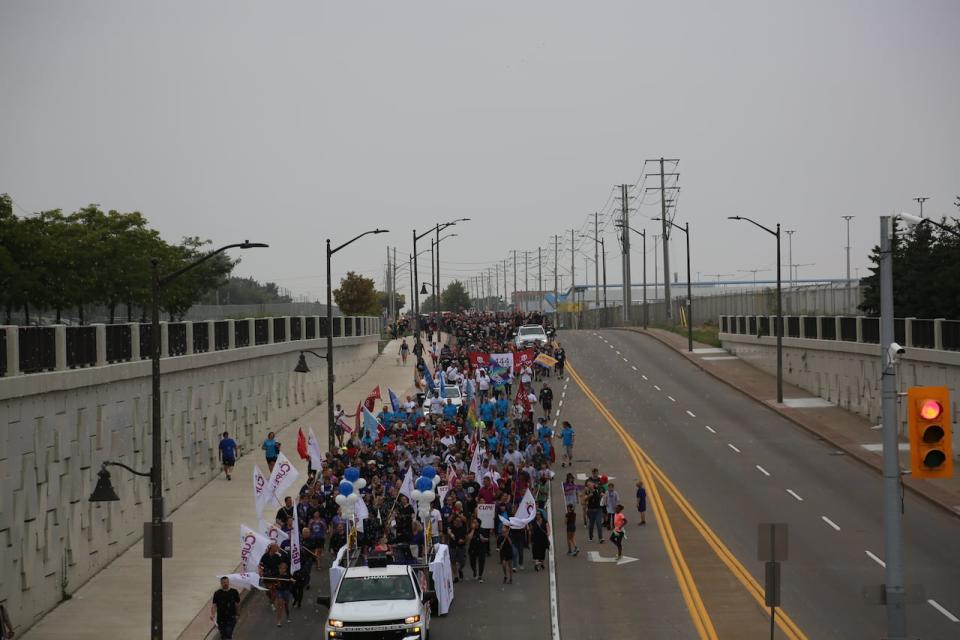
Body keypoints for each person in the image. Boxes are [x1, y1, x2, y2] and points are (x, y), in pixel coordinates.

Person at [467, 518, 489, 582]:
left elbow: (487, 539)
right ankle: (474, 570)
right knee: (472, 562)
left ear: (478, 523)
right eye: (473, 522)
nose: (473, 523)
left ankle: (480, 576)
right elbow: (469, 538)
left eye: (475, 522)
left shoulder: (483, 530)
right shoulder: (471, 530)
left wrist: (484, 539)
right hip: (473, 548)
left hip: (481, 548)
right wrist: (473, 529)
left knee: (481, 561)